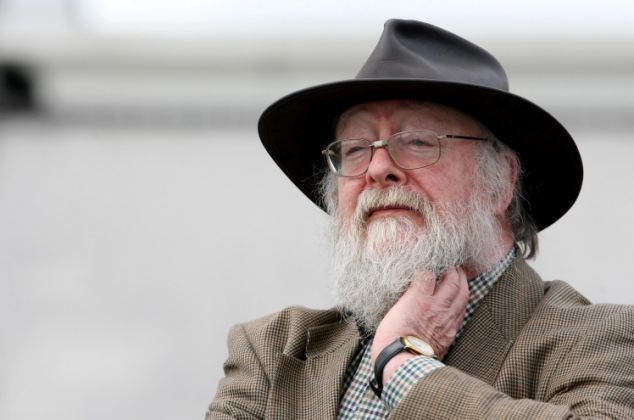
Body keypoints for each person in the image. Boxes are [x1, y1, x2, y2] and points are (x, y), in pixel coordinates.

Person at [207, 19, 634, 419]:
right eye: (355, 149)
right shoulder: (273, 353)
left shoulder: (600, 340)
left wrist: (402, 364)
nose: (377, 168)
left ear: (500, 183)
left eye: (416, 141)